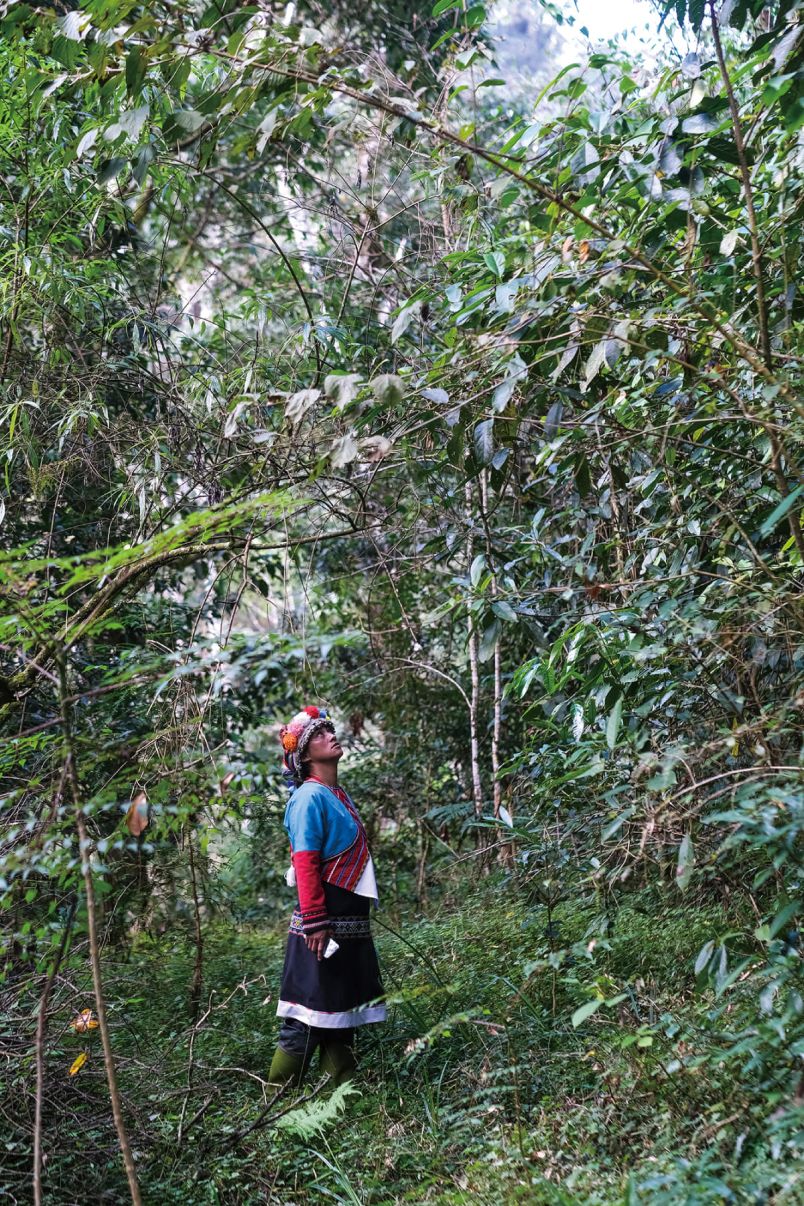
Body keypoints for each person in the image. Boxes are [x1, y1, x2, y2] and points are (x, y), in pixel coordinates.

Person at [268, 705, 386, 1089]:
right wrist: (316, 922)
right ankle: (276, 1099)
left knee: (339, 1015)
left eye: (329, 730)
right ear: (304, 755)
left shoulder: (336, 794)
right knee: (305, 1019)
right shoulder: (308, 798)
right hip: (323, 928)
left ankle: (341, 1098)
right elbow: (304, 861)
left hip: (347, 925)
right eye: (318, 735)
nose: (330, 736)